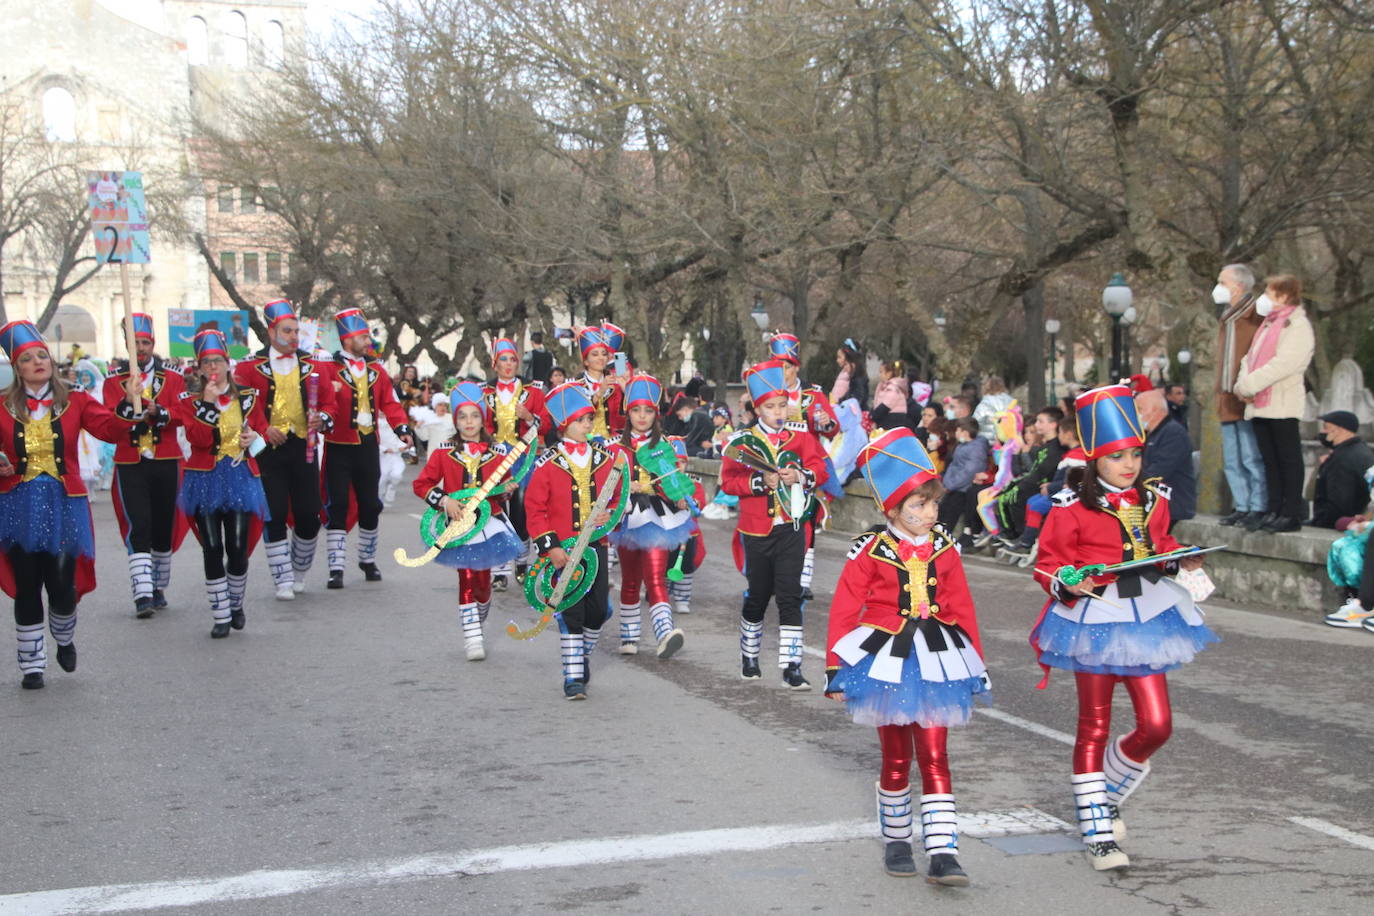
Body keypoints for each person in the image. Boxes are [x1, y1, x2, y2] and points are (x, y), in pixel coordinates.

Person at [1031, 384, 1216, 872]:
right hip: (1093, 619)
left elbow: (1161, 543)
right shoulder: (1070, 503)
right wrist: (1070, 582)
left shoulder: (1154, 498)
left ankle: (1104, 796)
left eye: (1135, 453)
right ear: (1096, 460)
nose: (1129, 464)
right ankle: (1096, 830)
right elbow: (1048, 565)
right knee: (1093, 725)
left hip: (1148, 618)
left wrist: (1179, 560)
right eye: (1117, 457)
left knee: (1158, 725)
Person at [825, 427, 988, 885]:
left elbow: (960, 605)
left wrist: (975, 663)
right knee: (897, 757)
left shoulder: (945, 547)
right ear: (891, 509)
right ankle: (897, 839)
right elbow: (844, 607)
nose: (931, 513)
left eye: (933, 503)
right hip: (885, 660)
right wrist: (836, 669)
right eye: (919, 505)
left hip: (937, 655)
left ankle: (942, 850)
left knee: (936, 754)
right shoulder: (870, 549)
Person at [0, 321, 133, 688]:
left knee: (60, 585)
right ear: (17, 368)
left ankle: (63, 635)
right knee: (27, 585)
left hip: (64, 503)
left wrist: (129, 404)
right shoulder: (1, 406)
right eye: (28, 358)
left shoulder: (75, 400)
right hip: (18, 505)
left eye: (42, 354)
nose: (38, 362)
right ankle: (32, 664)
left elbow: (108, 428)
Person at [719, 360, 829, 689]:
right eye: (770, 406)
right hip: (756, 530)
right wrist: (758, 482)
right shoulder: (742, 442)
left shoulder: (802, 438)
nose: (778, 412)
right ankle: (749, 655)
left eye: (783, 405)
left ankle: (791, 667)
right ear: (757, 408)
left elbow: (821, 470)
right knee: (758, 595)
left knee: (791, 596)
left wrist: (801, 475)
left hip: (793, 527)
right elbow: (728, 482)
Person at [524, 382, 624, 699]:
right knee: (571, 612)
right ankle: (573, 676)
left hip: (597, 547)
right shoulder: (546, 462)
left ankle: (581, 657)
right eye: (582, 420)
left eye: (590, 419)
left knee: (598, 611)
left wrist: (612, 513)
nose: (588, 425)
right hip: (563, 550)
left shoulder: (605, 458)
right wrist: (551, 547)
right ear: (566, 424)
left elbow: (620, 497)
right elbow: (534, 508)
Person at [412, 382, 526, 661]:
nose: (469, 422)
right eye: (462, 417)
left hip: (489, 526)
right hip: (459, 526)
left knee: (483, 584)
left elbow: (504, 485)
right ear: (454, 420)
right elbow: (421, 484)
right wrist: (445, 501)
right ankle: (472, 638)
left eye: (474, 416)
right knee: (465, 577)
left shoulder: (498, 453)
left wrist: (508, 489)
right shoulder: (443, 451)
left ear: (483, 418)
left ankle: (480, 614)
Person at [233, 300, 336, 600]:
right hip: (267, 449)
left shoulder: (314, 365)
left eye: (295, 331)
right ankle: (282, 579)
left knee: (309, 514)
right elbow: (242, 407)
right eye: (287, 331)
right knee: (273, 512)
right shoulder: (249, 367)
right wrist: (263, 428)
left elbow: (330, 403)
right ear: (271, 331)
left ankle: (298, 570)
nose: (293, 337)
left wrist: (323, 418)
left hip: (304, 447)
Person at [177, 329, 271, 640]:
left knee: (238, 547)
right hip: (204, 479)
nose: (213, 367)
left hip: (240, 476)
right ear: (199, 368)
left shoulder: (247, 397)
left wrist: (254, 438)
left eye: (218, 361)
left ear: (228, 364)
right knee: (212, 547)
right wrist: (206, 404)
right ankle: (220, 614)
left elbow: (261, 437)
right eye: (207, 363)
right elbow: (198, 439)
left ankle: (235, 603)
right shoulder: (190, 403)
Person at [321, 309, 414, 588]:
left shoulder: (376, 370)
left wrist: (402, 429)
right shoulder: (329, 368)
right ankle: (335, 568)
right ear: (347, 339)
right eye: (363, 337)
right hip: (338, 445)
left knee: (369, 504)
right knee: (337, 503)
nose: (368, 341)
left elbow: (391, 403)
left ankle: (367, 558)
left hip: (367, 444)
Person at [104, 313, 188, 618]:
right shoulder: (114, 380)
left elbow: (183, 412)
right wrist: (129, 404)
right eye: (135, 342)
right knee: (139, 524)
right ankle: (141, 593)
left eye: (145, 342)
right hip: (130, 461)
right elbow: (109, 421)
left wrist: (159, 411)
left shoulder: (174, 377)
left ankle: (158, 586)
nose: (140, 347)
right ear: (126, 344)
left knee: (164, 526)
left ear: (153, 343)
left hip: (166, 459)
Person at [611, 374, 689, 659]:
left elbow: (673, 481)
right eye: (635, 410)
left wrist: (678, 494)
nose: (641, 417)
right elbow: (604, 485)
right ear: (627, 412)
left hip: (658, 516)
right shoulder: (614, 448)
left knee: (656, 576)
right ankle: (629, 636)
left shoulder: (665, 446)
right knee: (630, 578)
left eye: (647, 411)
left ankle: (665, 633)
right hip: (627, 517)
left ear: (656, 414)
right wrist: (624, 488)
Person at [1234, 274, 1315, 533]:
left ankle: (1290, 511)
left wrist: (1249, 384)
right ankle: (1273, 508)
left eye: (1270, 292)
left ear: (1285, 296)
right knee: (1269, 459)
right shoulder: (1268, 324)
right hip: (1259, 402)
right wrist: (1241, 384)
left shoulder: (1297, 325)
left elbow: (1284, 363)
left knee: (1287, 458)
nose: (1265, 297)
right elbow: (1251, 358)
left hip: (1281, 402)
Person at [769, 332, 839, 599]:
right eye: (777, 367)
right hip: (776, 461)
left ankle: (803, 580)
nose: (781, 372)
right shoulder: (768, 394)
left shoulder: (813, 394)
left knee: (806, 518)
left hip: (807, 461)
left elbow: (833, 429)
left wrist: (823, 421)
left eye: (786, 367)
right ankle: (777, 574)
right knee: (776, 518)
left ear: (796, 367)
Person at [483, 337, 550, 589]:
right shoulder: (485, 393)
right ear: (495, 364)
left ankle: (522, 561)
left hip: (523, 456)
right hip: (494, 458)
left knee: (521, 508)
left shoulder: (532, 391)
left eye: (513, 359)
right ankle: (499, 572)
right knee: (496, 510)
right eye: (504, 360)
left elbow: (547, 424)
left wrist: (529, 416)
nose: (509, 364)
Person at [1212, 264, 1268, 529]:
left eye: (1223, 282)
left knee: (1251, 456)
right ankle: (1242, 504)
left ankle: (1258, 505)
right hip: (1225, 396)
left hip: (1245, 396)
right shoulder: (1227, 316)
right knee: (1232, 459)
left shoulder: (1255, 313)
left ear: (1238, 285)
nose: (1218, 287)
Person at [993, 406, 1065, 542]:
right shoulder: (1045, 445)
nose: (1037, 425)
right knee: (1005, 496)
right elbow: (1034, 470)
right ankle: (1011, 534)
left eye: (1040, 421)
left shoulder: (1057, 447)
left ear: (1053, 424)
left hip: (1044, 486)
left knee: (1015, 497)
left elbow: (1043, 471)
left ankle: (1022, 537)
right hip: (1034, 483)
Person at [1135, 389, 1196, 525]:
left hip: (1173, 506)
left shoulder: (1173, 434)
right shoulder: (1153, 434)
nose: (1136, 415)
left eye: (1139, 409)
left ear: (1155, 410)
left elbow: (1157, 472)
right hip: (1155, 504)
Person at [1310, 410, 1374, 529]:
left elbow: (1339, 502)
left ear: (1341, 429)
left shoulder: (1342, 458)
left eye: (1326, 428)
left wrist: (1324, 521)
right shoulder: (1362, 450)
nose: (1322, 432)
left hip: (1338, 523)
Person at [573, 322, 626, 442]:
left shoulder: (615, 384)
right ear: (586, 361)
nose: (601, 358)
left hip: (612, 443)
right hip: (586, 441)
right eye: (595, 354)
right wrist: (599, 392)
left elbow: (622, 421)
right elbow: (576, 420)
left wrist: (626, 390)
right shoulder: (576, 386)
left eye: (604, 354)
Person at [938, 417, 988, 535]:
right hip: (954, 486)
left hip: (964, 488)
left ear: (965, 432)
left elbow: (968, 472)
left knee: (951, 513)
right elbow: (954, 465)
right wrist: (947, 483)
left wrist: (950, 485)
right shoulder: (962, 445)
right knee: (942, 511)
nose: (955, 433)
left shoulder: (976, 449)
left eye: (957, 430)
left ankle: (945, 537)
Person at [872, 361, 915, 431]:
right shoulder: (884, 387)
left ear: (889, 373)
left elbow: (884, 407)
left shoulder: (893, 389)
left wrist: (873, 415)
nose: (880, 375)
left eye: (881, 372)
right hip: (886, 421)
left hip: (893, 422)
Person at [830, 338, 869, 411]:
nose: (837, 360)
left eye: (839, 357)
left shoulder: (857, 378)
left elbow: (856, 398)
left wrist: (842, 404)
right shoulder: (845, 374)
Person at [973, 376, 1013, 442]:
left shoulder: (984, 404)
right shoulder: (1011, 401)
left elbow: (975, 422)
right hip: (1010, 440)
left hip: (988, 441)